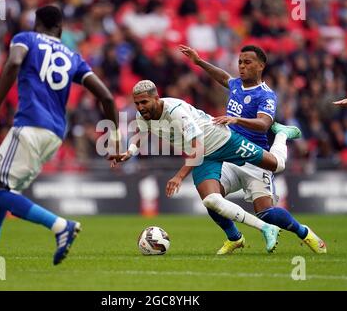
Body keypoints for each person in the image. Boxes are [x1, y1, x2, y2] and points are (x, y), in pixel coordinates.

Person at [0, 6, 119, 271]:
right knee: (3, 188)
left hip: (30, 125)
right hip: (55, 134)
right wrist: (114, 138)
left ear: (36, 24)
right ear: (61, 29)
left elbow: (12, 62)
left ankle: (60, 226)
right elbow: (108, 98)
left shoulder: (26, 39)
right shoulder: (73, 56)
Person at [109, 79, 302, 253]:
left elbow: (197, 147)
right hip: (205, 155)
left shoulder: (176, 112)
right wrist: (129, 153)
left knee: (277, 165)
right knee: (211, 200)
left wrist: (179, 176)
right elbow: (142, 135)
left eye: (144, 102)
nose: (140, 107)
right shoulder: (143, 116)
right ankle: (260, 230)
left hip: (224, 141)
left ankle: (282, 134)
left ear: (156, 98)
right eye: (137, 103)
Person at [179, 44, 327, 254]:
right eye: (240, 62)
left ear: (261, 66)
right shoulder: (237, 85)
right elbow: (223, 77)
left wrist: (236, 118)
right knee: (212, 199)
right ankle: (234, 238)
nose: (242, 66)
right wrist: (199, 61)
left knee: (266, 214)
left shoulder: (266, 95)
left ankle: (304, 232)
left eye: (247, 62)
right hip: (231, 157)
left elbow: (264, 124)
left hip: (256, 159)